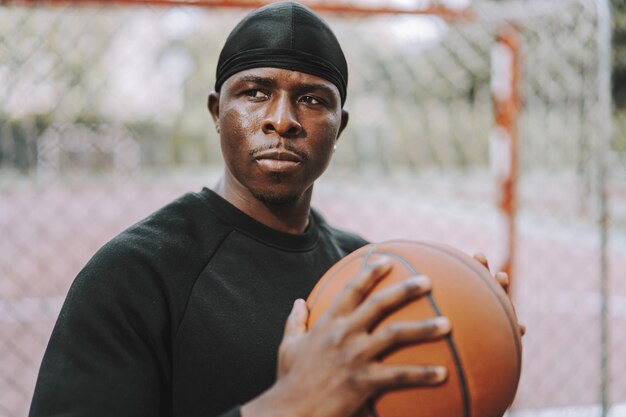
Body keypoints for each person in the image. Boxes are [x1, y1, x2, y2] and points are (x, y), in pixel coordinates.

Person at [29, 3, 515, 417]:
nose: (282, 120)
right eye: (255, 93)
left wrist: (480, 349)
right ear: (217, 113)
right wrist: (287, 406)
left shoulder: (369, 274)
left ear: (339, 127)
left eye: (311, 99)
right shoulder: (132, 275)